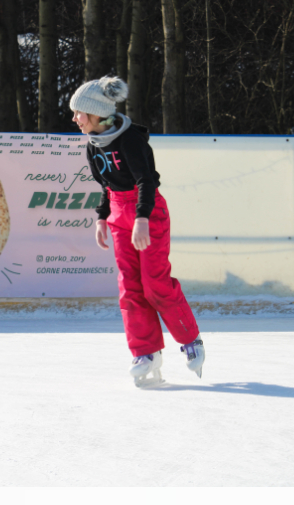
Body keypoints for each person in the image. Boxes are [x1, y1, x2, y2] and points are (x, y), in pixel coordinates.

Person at [68, 76, 202, 387]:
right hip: (119, 217)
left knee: (154, 284)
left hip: (148, 213)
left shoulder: (130, 140)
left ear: (96, 113)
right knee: (129, 287)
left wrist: (142, 218)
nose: (75, 119)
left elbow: (146, 181)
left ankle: (190, 339)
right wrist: (102, 218)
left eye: (79, 113)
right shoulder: (93, 146)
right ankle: (146, 353)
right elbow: (107, 186)